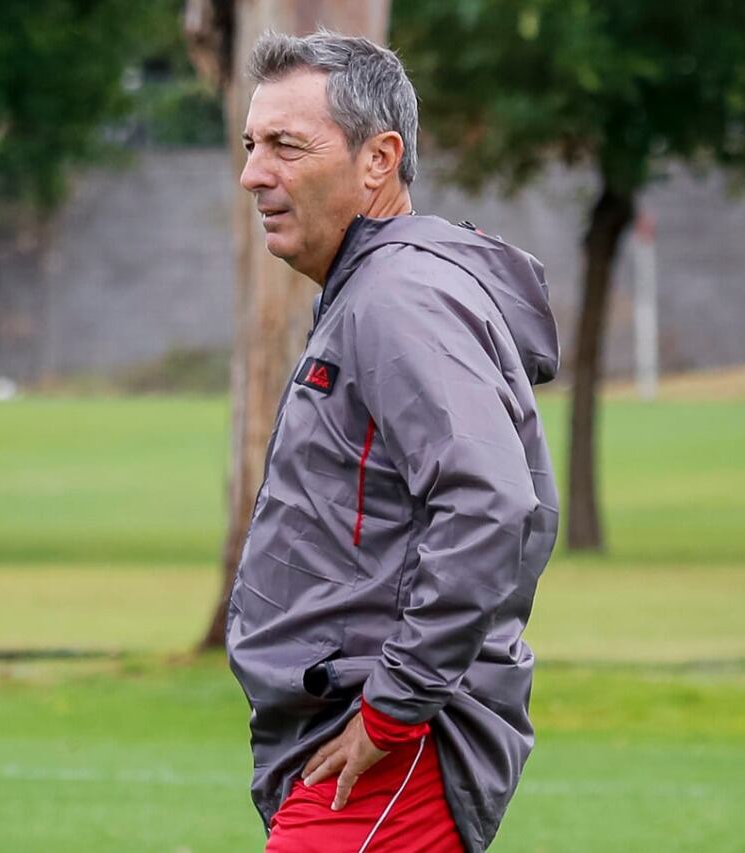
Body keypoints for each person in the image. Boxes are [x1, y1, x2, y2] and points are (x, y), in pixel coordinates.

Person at [226, 30, 561, 853]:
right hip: (355, 734)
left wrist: (393, 708)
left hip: (391, 750)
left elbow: (491, 500)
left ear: (379, 159)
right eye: (250, 145)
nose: (253, 174)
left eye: (285, 146)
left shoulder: (397, 298)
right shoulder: (371, 290)